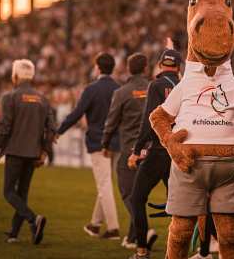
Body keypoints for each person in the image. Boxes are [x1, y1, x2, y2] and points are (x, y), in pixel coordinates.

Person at [0, 59, 55, 244]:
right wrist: (44, 152)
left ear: (15, 76)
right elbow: (51, 128)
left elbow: (4, 128)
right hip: (33, 153)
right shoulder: (43, 98)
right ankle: (14, 233)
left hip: (15, 151)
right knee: (21, 193)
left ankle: (33, 219)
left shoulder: (9, 97)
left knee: (8, 192)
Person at [56, 52, 121, 239]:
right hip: (115, 142)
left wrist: (59, 131)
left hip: (98, 142)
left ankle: (113, 228)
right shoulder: (118, 88)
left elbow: (77, 113)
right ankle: (94, 224)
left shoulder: (92, 89)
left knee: (104, 185)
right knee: (105, 183)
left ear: (98, 67)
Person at [127, 49, 182, 259]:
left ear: (160, 65)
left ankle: (142, 250)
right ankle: (198, 248)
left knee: (137, 199)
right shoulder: (186, 85)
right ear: (178, 67)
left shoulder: (156, 85)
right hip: (179, 151)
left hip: (159, 151)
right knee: (182, 205)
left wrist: (136, 150)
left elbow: (150, 120)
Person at [102, 53, 149, 249]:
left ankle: (143, 232)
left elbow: (111, 121)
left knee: (127, 193)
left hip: (130, 150)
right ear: (145, 68)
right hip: (152, 150)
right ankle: (132, 237)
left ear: (129, 69)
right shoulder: (152, 88)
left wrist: (104, 144)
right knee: (139, 194)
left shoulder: (122, 92)